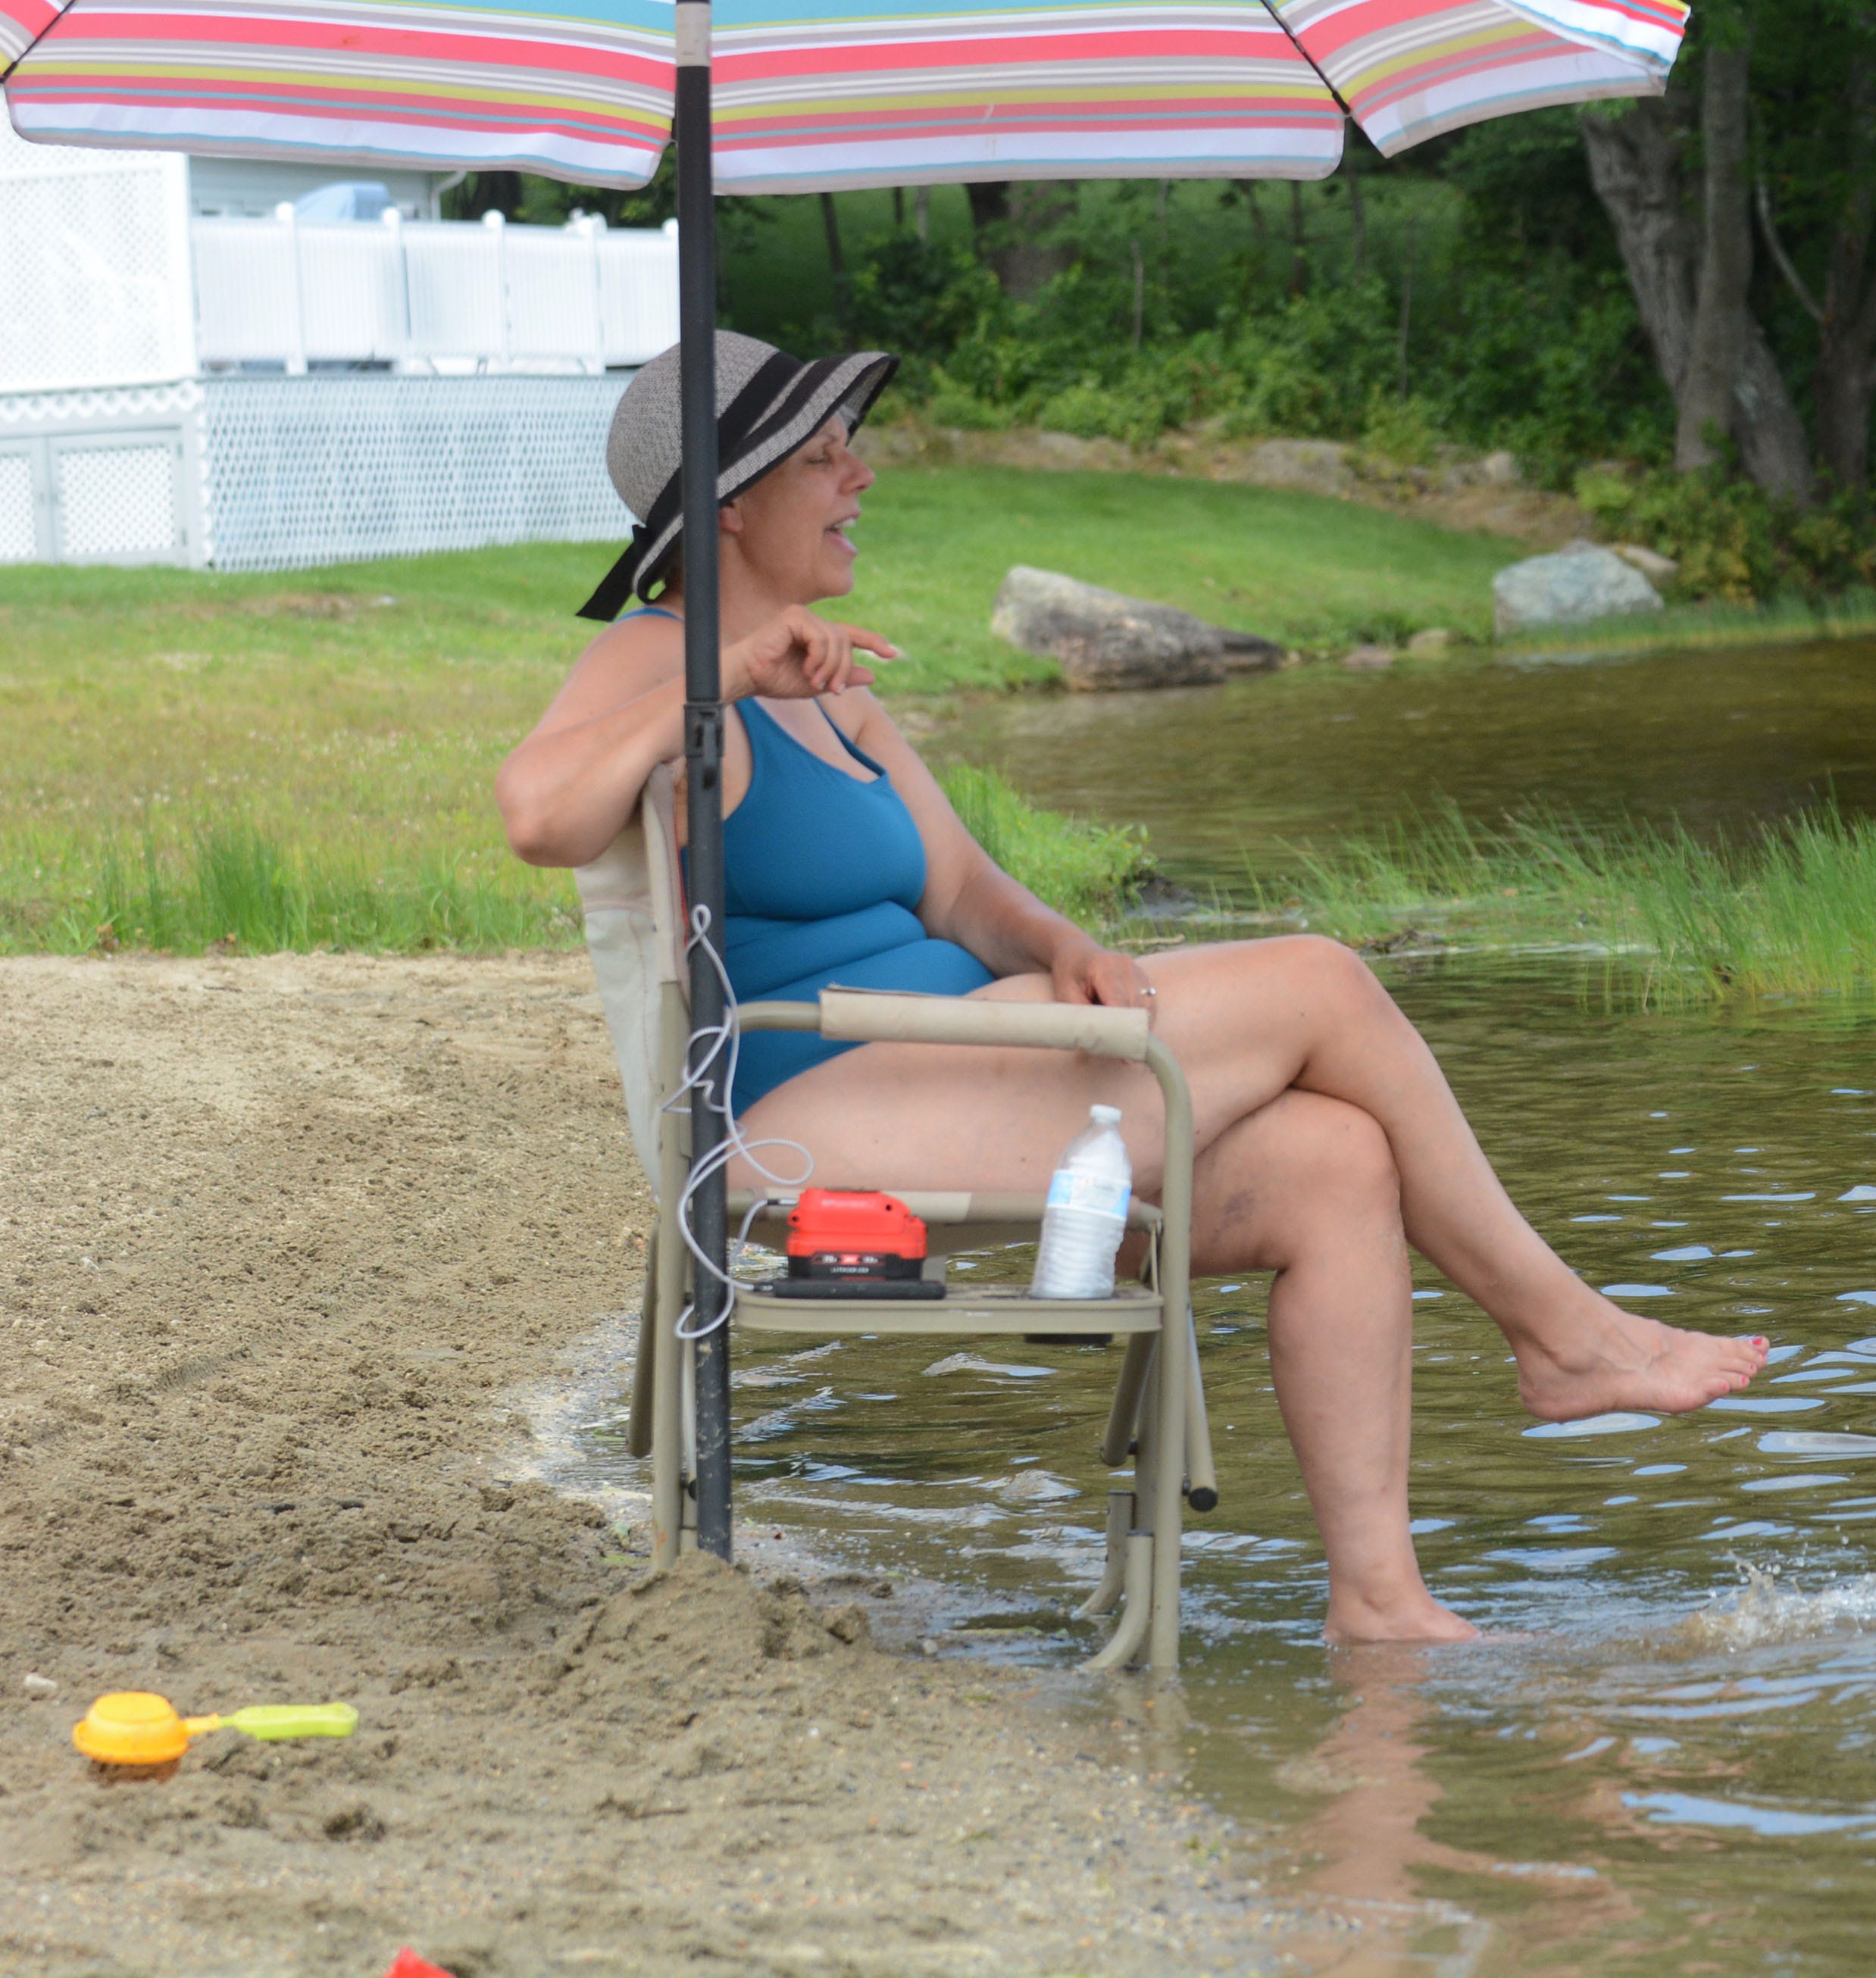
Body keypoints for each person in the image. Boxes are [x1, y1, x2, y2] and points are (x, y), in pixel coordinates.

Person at [497, 333, 1767, 1644]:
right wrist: (723, 672)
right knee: (1324, 981)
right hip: (805, 1117)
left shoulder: (832, 689)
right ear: (729, 503)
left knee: (1336, 1161)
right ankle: (1561, 1335)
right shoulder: (660, 659)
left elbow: (963, 892)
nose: (861, 478)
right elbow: (537, 813)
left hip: (960, 1068)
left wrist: (1062, 947)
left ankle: (1382, 1601)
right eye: (825, 458)